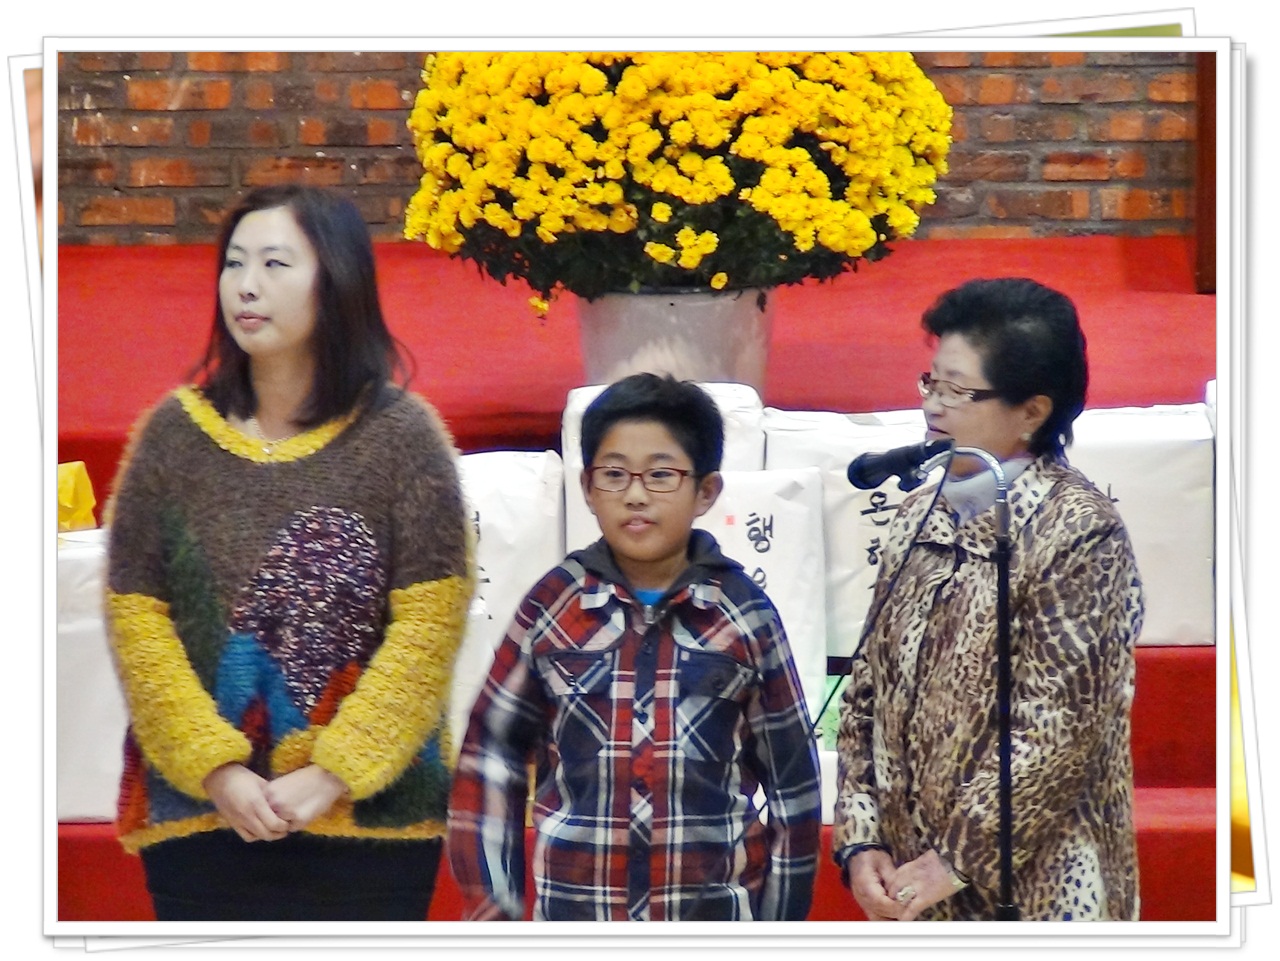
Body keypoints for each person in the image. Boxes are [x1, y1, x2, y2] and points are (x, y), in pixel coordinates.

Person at [104, 184, 474, 921]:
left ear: (336, 281)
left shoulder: (403, 437)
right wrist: (215, 768)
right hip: (201, 822)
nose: (246, 285)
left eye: (275, 264)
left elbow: (429, 628)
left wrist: (334, 771)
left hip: (371, 829)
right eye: (234, 263)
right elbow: (136, 617)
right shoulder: (172, 436)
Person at [448, 373, 822, 921]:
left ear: (707, 491)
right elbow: (490, 755)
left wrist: (778, 928)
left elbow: (793, 784)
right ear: (587, 487)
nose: (636, 495)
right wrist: (494, 912)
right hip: (578, 920)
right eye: (615, 474)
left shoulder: (744, 614)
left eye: (661, 475)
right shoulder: (553, 606)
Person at [833, 277, 1144, 922]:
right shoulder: (919, 513)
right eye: (931, 383)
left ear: (1032, 411)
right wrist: (862, 840)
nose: (933, 407)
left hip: (1039, 890)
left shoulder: (1079, 532)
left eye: (958, 391)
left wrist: (956, 861)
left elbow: (1058, 726)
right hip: (914, 882)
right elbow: (866, 691)